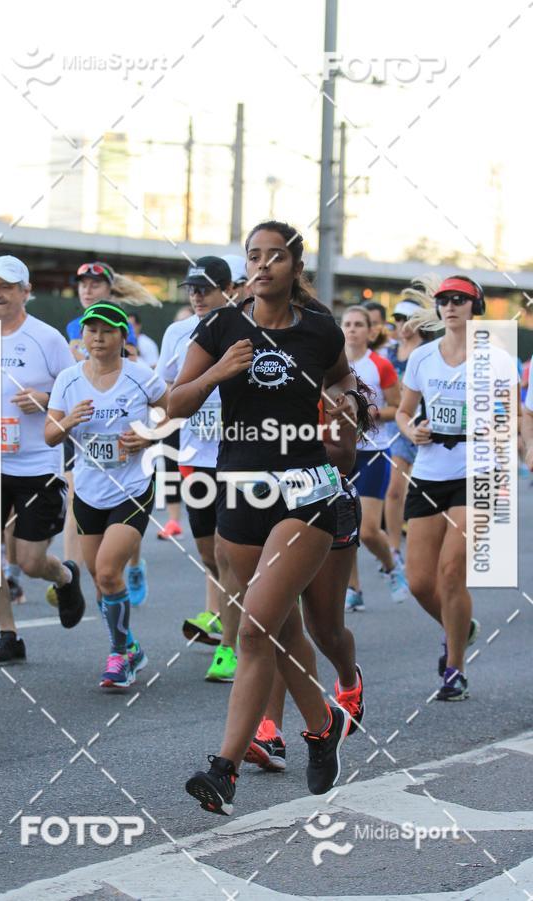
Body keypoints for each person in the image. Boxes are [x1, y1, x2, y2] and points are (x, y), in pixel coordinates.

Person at [170, 220, 360, 816]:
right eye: (252, 256)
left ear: (294, 267)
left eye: (273, 257)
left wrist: (349, 405)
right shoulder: (223, 324)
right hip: (240, 491)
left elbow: (341, 380)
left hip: (307, 492)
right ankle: (323, 723)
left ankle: (223, 768)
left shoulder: (322, 332)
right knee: (280, 631)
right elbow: (174, 404)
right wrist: (218, 372)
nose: (261, 266)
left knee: (254, 628)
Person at [246, 376, 374, 771]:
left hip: (328, 507)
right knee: (275, 620)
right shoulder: (259, 379)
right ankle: (270, 729)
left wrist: (286, 450)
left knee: (324, 629)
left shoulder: (334, 389)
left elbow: (343, 455)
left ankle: (348, 680)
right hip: (268, 505)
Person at [46, 301, 168, 689]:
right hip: (88, 493)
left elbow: (171, 414)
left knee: (109, 571)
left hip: (132, 489)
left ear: (123, 336)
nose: (97, 337)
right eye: (91, 330)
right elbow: (49, 434)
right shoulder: (68, 378)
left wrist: (148, 436)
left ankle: (118, 656)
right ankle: (129, 646)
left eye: (107, 330)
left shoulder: (140, 377)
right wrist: (69, 421)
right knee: (102, 583)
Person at [0, 255, 84, 665]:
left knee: (29, 559)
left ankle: (64, 576)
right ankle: (9, 636)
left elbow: (74, 385)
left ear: (25, 292)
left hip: (38, 464)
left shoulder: (47, 338)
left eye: (6, 286)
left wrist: (45, 398)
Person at [396, 276, 492, 700]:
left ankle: (454, 669)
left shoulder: (493, 357)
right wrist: (412, 429)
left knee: (452, 572)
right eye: (445, 300)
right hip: (430, 471)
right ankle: (460, 628)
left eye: (460, 300)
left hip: (478, 469)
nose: (451, 306)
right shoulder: (422, 357)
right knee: (419, 582)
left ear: (476, 307)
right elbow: (403, 411)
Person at [157, 256, 241, 681]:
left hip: (241, 459)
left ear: (230, 288)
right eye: (192, 289)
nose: (197, 296)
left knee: (231, 551)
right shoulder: (176, 331)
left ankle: (229, 645)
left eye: (206, 288)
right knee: (210, 555)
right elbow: (162, 391)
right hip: (195, 460)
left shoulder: (247, 328)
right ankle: (240, 611)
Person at [65, 261, 156, 605]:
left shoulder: (122, 324)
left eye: (95, 284)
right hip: (83, 424)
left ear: (109, 289)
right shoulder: (72, 326)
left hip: (119, 426)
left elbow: (132, 365)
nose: (88, 289)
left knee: (122, 501)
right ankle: (72, 570)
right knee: (77, 495)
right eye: (82, 284)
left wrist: (149, 430)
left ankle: (132, 563)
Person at [341, 306, 409, 609]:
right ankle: (353, 589)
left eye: (359, 324)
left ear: (371, 331)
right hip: (340, 453)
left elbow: (399, 408)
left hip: (373, 451)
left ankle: (392, 567)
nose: (352, 329)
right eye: (347, 324)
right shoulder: (331, 364)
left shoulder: (380, 365)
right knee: (345, 528)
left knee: (367, 528)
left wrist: (375, 413)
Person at [384, 278, 439, 563]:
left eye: (407, 318)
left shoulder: (429, 353)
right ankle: (394, 549)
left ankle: (427, 549)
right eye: (398, 318)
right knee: (394, 490)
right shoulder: (388, 352)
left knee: (424, 489)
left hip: (429, 425)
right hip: (398, 426)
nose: (402, 324)